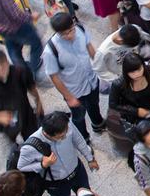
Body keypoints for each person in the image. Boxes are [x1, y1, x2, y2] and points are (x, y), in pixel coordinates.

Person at [44, 12, 106, 142]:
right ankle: (84, 138)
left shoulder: (80, 29)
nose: (70, 35)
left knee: (94, 104)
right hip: (74, 91)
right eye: (64, 34)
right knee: (79, 117)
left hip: (91, 81)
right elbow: (54, 76)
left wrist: (101, 69)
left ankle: (98, 124)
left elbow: (89, 47)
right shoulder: (51, 50)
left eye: (71, 30)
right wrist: (69, 97)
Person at [17, 111, 98, 196]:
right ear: (48, 134)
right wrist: (42, 165)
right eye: (60, 137)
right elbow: (21, 166)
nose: (65, 137)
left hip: (77, 171)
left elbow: (79, 141)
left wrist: (90, 159)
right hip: (56, 183)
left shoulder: (65, 126)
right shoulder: (30, 147)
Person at [0, 48, 42, 142]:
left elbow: (31, 87)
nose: (2, 68)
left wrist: (38, 102)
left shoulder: (20, 71)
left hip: (25, 110)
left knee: (33, 137)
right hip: (6, 117)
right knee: (13, 138)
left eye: (3, 63)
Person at [108, 53, 150, 129]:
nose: (137, 74)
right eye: (132, 72)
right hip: (135, 117)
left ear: (143, 65)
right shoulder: (118, 85)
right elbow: (113, 104)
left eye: (139, 69)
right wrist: (136, 111)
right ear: (126, 72)